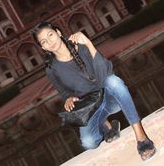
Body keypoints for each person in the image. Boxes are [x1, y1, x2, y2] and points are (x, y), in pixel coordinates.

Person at [32, 21, 156, 161]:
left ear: (58, 33)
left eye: (51, 35)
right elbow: (63, 91)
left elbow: (105, 73)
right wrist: (68, 98)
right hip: (91, 107)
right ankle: (108, 126)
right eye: (44, 41)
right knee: (89, 143)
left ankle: (141, 137)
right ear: (43, 47)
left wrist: (89, 44)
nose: (50, 41)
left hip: (110, 99)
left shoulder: (81, 47)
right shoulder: (51, 69)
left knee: (113, 81)